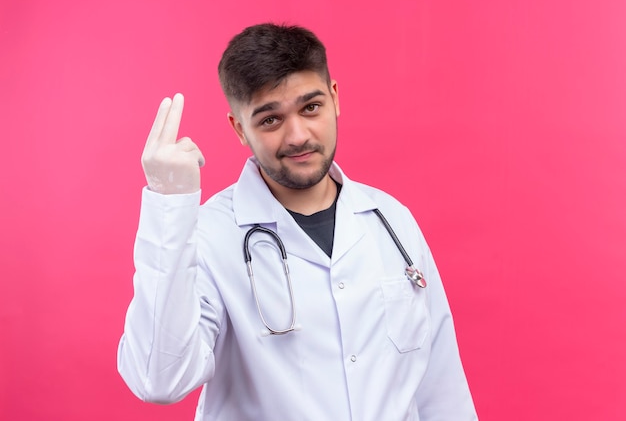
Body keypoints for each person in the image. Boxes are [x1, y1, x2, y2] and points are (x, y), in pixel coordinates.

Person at [117, 23, 478, 420]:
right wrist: (170, 207)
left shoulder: (392, 222)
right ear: (239, 129)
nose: (297, 135)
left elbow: (441, 387)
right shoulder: (207, 235)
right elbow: (160, 379)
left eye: (311, 107)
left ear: (335, 98)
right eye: (270, 119)